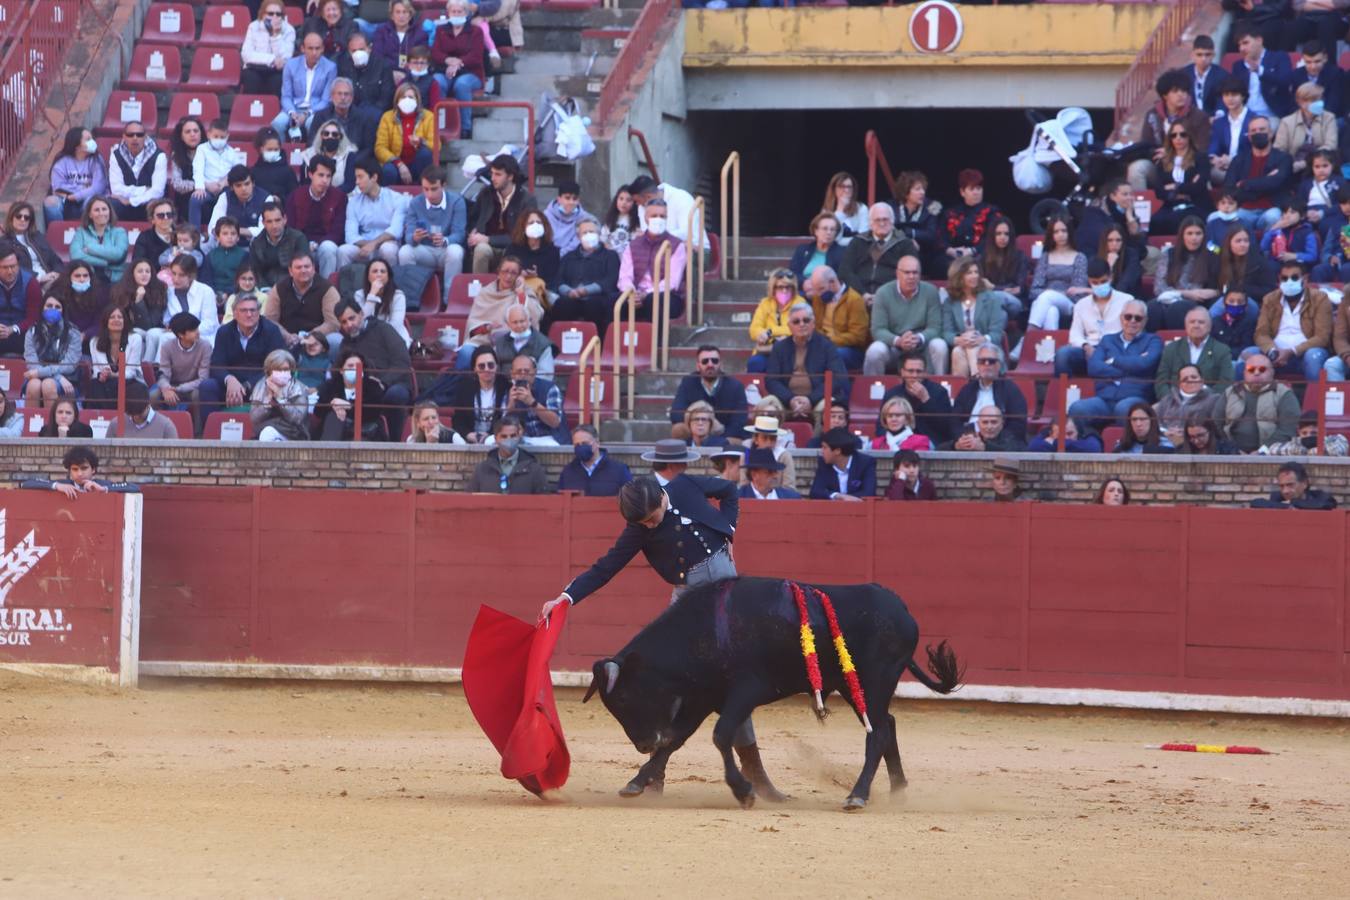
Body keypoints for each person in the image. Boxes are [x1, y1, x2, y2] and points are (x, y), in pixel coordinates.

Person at [539, 462, 783, 802]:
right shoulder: (639, 529)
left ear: (662, 497)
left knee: (731, 679)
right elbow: (605, 567)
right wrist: (566, 597)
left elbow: (728, 491)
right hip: (687, 600)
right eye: (644, 523)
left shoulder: (685, 486)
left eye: (653, 517)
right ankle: (657, 772)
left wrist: (728, 530)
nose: (651, 525)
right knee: (668, 678)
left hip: (728, 595)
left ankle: (751, 769)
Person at [1069, 300, 1163, 425]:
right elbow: (1094, 367)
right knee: (1078, 408)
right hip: (1104, 399)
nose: (1132, 321)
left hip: (1135, 398)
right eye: (1128, 316)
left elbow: (1146, 363)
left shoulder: (1153, 340)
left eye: (1138, 318)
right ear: (1121, 318)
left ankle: (1124, 444)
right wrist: (1133, 365)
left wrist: (1113, 361)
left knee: (1124, 408)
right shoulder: (1108, 340)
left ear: (1145, 320)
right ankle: (1090, 441)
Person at [334, 297, 412, 439]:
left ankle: (395, 445)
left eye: (352, 318)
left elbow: (402, 361)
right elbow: (339, 372)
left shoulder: (383, 330)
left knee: (395, 395)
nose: (349, 325)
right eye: (344, 322)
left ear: (361, 314)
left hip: (392, 384)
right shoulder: (345, 344)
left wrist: (382, 382)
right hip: (362, 390)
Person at [1250, 258, 1333, 382]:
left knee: (1313, 356)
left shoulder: (1320, 299)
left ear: (1305, 280)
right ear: (1279, 280)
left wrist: (1292, 351)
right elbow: (1261, 333)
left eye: (1294, 278)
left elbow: (1322, 337)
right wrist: (1272, 351)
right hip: (1275, 353)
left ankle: (1314, 399)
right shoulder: (1270, 299)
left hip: (1305, 353)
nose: (1289, 282)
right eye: (1284, 278)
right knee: (1249, 354)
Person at [453, 255, 543, 369]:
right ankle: (462, 385)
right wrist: (486, 328)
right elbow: (473, 325)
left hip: (511, 344)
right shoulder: (485, 293)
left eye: (514, 273)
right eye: (505, 271)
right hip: (482, 342)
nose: (508, 276)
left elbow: (536, 316)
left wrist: (520, 293)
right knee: (466, 352)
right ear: (499, 272)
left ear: (519, 276)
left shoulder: (525, 292)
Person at [201, 293, 288, 410]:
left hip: (260, 383)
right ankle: (211, 427)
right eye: (243, 310)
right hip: (231, 386)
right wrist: (229, 379)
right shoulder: (224, 331)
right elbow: (216, 365)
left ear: (259, 312)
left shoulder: (271, 330)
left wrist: (247, 385)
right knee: (207, 386)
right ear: (235, 313)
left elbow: (277, 366)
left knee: (273, 384)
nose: (249, 314)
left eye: (253, 310)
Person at [765, 300, 849, 421]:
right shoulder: (779, 347)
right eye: (796, 321)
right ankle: (770, 440)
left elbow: (837, 378)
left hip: (818, 400)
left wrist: (810, 399)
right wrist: (791, 399)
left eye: (806, 320)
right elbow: (771, 380)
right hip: (786, 401)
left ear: (813, 323)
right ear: (789, 326)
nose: (802, 324)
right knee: (766, 407)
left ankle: (818, 440)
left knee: (830, 410)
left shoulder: (827, 346)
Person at [1132, 68, 1213, 193]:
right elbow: (1145, 145)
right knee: (1137, 168)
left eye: (1184, 91)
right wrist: (1157, 153)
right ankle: (1140, 208)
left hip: (1190, 165)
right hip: (1161, 166)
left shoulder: (1199, 116)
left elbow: (1202, 147)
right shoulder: (1152, 115)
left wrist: (1172, 152)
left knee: (1204, 176)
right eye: (1175, 91)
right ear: (1165, 95)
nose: (1181, 95)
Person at [863, 254, 944, 375]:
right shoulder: (883, 293)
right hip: (893, 346)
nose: (911, 277)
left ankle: (939, 389)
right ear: (897, 273)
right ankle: (872, 391)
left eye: (915, 273)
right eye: (907, 272)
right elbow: (878, 330)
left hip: (921, 346)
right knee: (875, 350)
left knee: (939, 345)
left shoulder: (930, 291)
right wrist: (898, 341)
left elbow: (935, 327)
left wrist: (919, 338)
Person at [398, 165, 465, 307]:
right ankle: (410, 299)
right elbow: (408, 235)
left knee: (455, 251)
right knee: (405, 251)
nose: (429, 194)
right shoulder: (416, 203)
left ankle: (449, 300)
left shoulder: (456, 201)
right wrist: (414, 237)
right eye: (425, 189)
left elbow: (459, 234)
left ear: (444, 185)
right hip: (424, 249)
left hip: (445, 249)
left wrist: (446, 240)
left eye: (434, 189)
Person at [1054, 257, 1129, 378]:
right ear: (1089, 281)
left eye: (1103, 281)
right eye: (1095, 282)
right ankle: (1064, 392)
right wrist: (1085, 346)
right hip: (1090, 348)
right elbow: (1075, 335)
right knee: (1063, 354)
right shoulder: (1081, 304)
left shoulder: (1127, 300)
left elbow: (1131, 332)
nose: (1099, 285)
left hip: (1116, 349)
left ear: (1111, 277)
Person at [618, 199, 686, 322]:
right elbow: (625, 276)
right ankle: (617, 340)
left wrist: (647, 294)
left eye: (662, 216)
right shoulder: (633, 245)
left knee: (653, 301)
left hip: (667, 296)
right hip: (637, 293)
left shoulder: (676, 245)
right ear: (646, 218)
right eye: (654, 216)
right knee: (614, 301)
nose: (658, 219)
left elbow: (672, 281)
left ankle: (656, 341)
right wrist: (631, 293)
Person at [550, 219, 621, 336]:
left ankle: (598, 346)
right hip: (572, 297)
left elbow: (611, 279)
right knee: (562, 304)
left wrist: (587, 290)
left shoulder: (610, 256)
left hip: (598, 298)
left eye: (592, 232)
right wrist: (568, 291)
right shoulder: (569, 257)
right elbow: (558, 279)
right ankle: (561, 347)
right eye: (585, 233)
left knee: (594, 306)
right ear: (578, 236)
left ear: (599, 234)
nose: (589, 235)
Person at [467, 154, 536, 273]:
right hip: (487, 247)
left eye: (498, 174)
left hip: (514, 249)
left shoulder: (526, 199)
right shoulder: (486, 193)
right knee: (481, 250)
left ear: (510, 176)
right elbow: (473, 217)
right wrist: (472, 232)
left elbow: (522, 237)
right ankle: (480, 290)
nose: (492, 178)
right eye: (492, 173)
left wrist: (488, 239)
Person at [1224, 115, 1293, 232]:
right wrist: (1266, 181)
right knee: (1234, 219)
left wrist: (1244, 184)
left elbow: (1277, 183)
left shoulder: (1284, 158)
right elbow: (1229, 189)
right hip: (1245, 208)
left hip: (1272, 208)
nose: (1258, 133)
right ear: (1249, 137)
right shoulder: (1239, 160)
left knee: (1272, 217)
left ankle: (1267, 250)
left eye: (1262, 130)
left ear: (1270, 133)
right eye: (1253, 131)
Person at [838, 203, 917, 303]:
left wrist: (883, 296)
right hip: (858, 298)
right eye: (877, 220)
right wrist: (862, 294)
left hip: (892, 300)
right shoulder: (858, 242)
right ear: (870, 223)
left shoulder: (905, 244)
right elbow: (845, 271)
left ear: (892, 221)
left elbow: (911, 274)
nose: (882, 224)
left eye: (885, 219)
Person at [1221, 352, 1300, 452]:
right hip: (1232, 453)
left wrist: (1263, 451)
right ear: (1244, 373)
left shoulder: (1284, 394)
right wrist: (1231, 449)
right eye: (1251, 369)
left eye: (1262, 369)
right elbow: (1217, 423)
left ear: (1272, 372)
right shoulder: (1230, 392)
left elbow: (1288, 429)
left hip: (1271, 454)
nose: (1256, 373)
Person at [941, 257, 1007, 377]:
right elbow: (947, 333)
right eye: (969, 273)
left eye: (976, 272)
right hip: (962, 347)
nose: (975, 276)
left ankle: (976, 382)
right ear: (958, 276)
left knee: (973, 346)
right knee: (958, 351)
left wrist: (982, 339)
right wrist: (959, 340)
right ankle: (971, 385)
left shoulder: (991, 298)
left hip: (989, 349)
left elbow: (997, 334)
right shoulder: (950, 302)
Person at [1150, 216, 1219, 330]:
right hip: (1169, 298)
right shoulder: (1169, 254)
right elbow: (1158, 288)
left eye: (1198, 233)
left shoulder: (1212, 256)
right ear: (1182, 235)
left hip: (1198, 303)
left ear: (1204, 235)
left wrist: (1214, 292)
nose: (1194, 238)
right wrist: (1184, 293)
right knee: (1153, 307)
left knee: (1179, 307)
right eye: (1189, 233)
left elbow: (1220, 288)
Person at [430, 0, 486, 138]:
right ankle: (439, 125)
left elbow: (476, 56)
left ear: (466, 13)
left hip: (470, 72)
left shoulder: (476, 31)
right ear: (448, 13)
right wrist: (448, 60)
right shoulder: (441, 30)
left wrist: (458, 63)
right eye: (453, 11)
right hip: (445, 70)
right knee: (437, 81)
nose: (456, 14)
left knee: (462, 84)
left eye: (459, 11)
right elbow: (435, 53)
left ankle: (465, 128)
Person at [1149, 119, 1214, 237]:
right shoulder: (1163, 161)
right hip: (1171, 204)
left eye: (1183, 134)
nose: (1178, 138)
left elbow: (1199, 187)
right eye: (1174, 135)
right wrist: (1183, 189)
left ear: (1189, 136)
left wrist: (1175, 186)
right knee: (1154, 222)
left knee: (1180, 219)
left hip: (1196, 205)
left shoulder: (1200, 158)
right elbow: (1159, 191)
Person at [1155, 306, 1234, 402]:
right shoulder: (1171, 349)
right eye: (1192, 322)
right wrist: (1171, 402)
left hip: (1208, 405)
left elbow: (1226, 382)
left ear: (1209, 326)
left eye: (1201, 322)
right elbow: (1161, 381)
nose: (1196, 325)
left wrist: (1207, 401)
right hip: (1173, 404)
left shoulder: (1222, 350)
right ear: (1186, 325)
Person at [1026, 213, 1090, 331]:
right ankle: (1050, 348)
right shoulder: (1045, 257)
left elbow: (1079, 294)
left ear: (1069, 232)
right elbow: (1034, 290)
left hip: (1070, 304)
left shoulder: (1079, 257)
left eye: (1064, 231)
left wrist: (1055, 294)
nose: (1060, 235)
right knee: (1051, 311)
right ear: (1051, 235)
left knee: (1047, 296)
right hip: (1045, 301)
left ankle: (1030, 333)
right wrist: (1050, 294)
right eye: (1056, 232)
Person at [952, 345, 1029, 442]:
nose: (986, 364)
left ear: (999, 365)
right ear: (977, 365)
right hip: (968, 441)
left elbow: (1018, 425)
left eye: (991, 361)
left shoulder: (1011, 390)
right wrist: (965, 439)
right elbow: (955, 422)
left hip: (998, 446)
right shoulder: (967, 390)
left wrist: (988, 444)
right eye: (982, 361)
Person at [670, 344, 748, 440]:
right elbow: (676, 413)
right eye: (705, 361)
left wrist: (716, 438)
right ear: (698, 366)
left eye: (714, 361)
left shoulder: (735, 386)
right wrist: (700, 420)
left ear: (720, 364)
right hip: (695, 434)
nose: (710, 364)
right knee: (678, 430)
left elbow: (739, 421)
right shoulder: (688, 382)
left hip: (724, 437)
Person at [339, 156, 405, 269]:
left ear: (374, 177)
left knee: (388, 249)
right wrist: (368, 245)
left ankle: (391, 284)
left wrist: (374, 244)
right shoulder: (353, 202)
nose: (357, 182)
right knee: (343, 250)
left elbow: (396, 231)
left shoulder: (396, 199)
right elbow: (350, 235)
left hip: (387, 244)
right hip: (364, 246)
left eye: (360, 177)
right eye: (356, 177)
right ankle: (345, 285)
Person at [801, 265, 868, 372]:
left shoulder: (854, 300)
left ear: (832, 282)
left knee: (833, 355)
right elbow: (816, 326)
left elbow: (858, 336)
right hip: (823, 345)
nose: (818, 294)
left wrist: (830, 341)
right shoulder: (818, 297)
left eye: (821, 289)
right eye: (816, 290)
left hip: (850, 350)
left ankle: (839, 387)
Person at [274, 32, 339, 140]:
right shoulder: (291, 65)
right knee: (277, 123)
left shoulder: (330, 68)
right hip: (293, 107)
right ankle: (281, 154)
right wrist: (291, 112)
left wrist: (307, 113)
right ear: (303, 48)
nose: (314, 52)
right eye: (310, 48)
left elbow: (326, 100)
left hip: (315, 110)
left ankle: (311, 154)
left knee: (312, 123)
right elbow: (286, 96)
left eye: (317, 48)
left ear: (322, 49)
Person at [879, 354, 955, 445]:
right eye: (910, 371)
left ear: (925, 373)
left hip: (930, 444)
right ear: (902, 372)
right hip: (898, 444)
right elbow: (881, 426)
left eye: (919, 371)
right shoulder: (892, 394)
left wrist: (926, 400)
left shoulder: (939, 392)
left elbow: (946, 427)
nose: (914, 375)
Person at [22, 295, 81, 409]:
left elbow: (70, 365)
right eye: (49, 306)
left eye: (57, 307)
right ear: (42, 308)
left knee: (48, 385)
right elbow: (32, 364)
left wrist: (44, 374)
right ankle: (31, 425)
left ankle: (52, 426)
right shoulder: (32, 332)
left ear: (63, 311)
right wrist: (57, 376)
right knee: (33, 385)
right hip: (40, 376)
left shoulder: (73, 333)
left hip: (67, 379)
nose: (53, 309)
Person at [314, 347, 387, 440]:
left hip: (366, 433)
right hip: (337, 431)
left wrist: (348, 406)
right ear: (341, 370)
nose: (354, 369)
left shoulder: (373, 386)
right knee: (333, 417)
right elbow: (318, 411)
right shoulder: (331, 386)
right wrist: (334, 406)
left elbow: (374, 412)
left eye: (358, 366)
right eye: (350, 366)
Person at [464, 414, 548, 493]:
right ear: (496, 438)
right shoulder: (482, 469)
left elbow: (545, 502)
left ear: (519, 436)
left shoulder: (534, 469)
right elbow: (469, 500)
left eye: (513, 436)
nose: (509, 440)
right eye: (504, 436)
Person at [155, 311, 210, 431]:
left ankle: (198, 433)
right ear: (181, 334)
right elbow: (163, 373)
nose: (198, 332)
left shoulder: (205, 346)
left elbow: (203, 378)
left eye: (197, 328)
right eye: (193, 330)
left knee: (198, 395)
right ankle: (158, 431)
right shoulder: (167, 346)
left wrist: (179, 388)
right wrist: (166, 388)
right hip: (172, 386)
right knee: (153, 396)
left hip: (192, 387)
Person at [44, 127, 108, 224]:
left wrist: (77, 195)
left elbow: (99, 186)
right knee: (50, 201)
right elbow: (57, 188)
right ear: (77, 145)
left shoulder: (96, 159)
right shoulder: (62, 162)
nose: (93, 142)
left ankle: (88, 233)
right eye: (88, 139)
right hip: (68, 198)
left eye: (92, 139)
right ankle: (58, 232)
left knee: (92, 202)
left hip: (89, 197)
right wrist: (81, 189)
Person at [1229, 23, 1293, 121]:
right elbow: (1232, 91)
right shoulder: (1238, 66)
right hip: (1245, 116)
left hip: (1272, 116)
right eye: (1239, 45)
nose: (1241, 48)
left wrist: (1260, 71)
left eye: (1245, 43)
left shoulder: (1279, 58)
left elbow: (1285, 82)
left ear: (1259, 40)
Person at [1074, 179, 1146, 266]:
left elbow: (1141, 249)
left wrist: (1130, 219)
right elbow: (1107, 242)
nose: (1129, 198)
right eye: (1125, 194)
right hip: (1095, 258)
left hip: (1123, 255)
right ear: (1112, 196)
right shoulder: (1095, 212)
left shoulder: (1129, 212)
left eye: (1131, 194)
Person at [374, 83, 434, 186]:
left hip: (417, 164)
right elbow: (380, 148)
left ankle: (422, 189)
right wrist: (399, 164)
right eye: (403, 97)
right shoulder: (387, 117)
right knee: (388, 170)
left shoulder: (428, 117)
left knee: (425, 154)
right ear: (397, 100)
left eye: (410, 97)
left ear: (417, 100)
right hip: (396, 164)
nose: (407, 100)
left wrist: (421, 142)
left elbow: (436, 144)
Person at [1274, 82, 1337, 177]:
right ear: (1301, 102)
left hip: (1321, 166)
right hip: (1293, 168)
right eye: (1314, 100)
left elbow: (1331, 145)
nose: (1320, 103)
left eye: (1320, 99)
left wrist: (1305, 163)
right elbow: (1279, 150)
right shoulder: (1287, 122)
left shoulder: (1329, 118)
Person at [189, 119, 244, 229]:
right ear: (209, 134)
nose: (219, 140)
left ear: (228, 136)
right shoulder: (202, 149)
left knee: (233, 198)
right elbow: (198, 169)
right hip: (207, 187)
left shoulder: (231, 152)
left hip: (225, 187)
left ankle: (228, 231)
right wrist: (201, 187)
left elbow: (238, 170)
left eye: (222, 137)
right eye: (216, 136)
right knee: (195, 200)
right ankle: (194, 233)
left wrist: (224, 182)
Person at [85, 305, 144, 408]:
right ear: (106, 321)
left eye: (120, 317)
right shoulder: (95, 341)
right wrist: (101, 375)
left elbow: (131, 372)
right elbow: (96, 370)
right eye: (112, 317)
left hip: (128, 381)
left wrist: (114, 375)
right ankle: (101, 419)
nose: (116, 320)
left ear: (125, 321)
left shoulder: (135, 338)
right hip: (106, 382)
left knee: (132, 389)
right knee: (94, 386)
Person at [108, 121, 167, 222]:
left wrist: (132, 201)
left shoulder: (159, 156)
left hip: (147, 201)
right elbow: (116, 189)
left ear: (145, 137)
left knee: (156, 205)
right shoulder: (116, 155)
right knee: (111, 203)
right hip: (125, 201)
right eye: (130, 135)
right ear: (124, 137)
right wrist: (144, 189)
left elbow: (158, 191)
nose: (135, 138)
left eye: (139, 135)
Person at [21, 447, 139, 498]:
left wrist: (104, 490)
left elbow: (134, 487)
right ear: (69, 471)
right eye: (75, 469)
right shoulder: (64, 485)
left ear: (93, 470)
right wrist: (56, 486)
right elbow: (26, 484)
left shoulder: (101, 485)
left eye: (84, 468)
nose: (79, 473)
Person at [448, 344, 508, 441]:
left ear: (497, 366)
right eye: (481, 366)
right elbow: (458, 419)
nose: (487, 369)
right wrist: (468, 434)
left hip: (495, 436)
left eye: (491, 365)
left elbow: (505, 418)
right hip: (471, 436)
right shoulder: (464, 387)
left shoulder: (505, 386)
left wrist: (490, 435)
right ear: (474, 369)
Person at [746, 268, 801, 374]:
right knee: (755, 363)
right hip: (766, 350)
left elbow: (795, 328)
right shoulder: (765, 303)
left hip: (791, 352)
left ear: (793, 289)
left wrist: (770, 332)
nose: (784, 291)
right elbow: (754, 329)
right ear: (773, 288)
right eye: (780, 287)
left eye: (788, 287)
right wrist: (761, 334)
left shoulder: (799, 303)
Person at [502, 352, 565, 445]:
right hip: (521, 437)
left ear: (535, 372)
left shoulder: (550, 388)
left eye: (527, 371)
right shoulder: (509, 391)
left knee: (551, 445)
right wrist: (511, 404)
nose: (523, 375)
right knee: (491, 441)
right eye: (519, 371)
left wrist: (532, 402)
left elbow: (555, 422)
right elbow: (502, 426)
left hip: (548, 437)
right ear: (512, 374)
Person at [248, 202, 311, 289]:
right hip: (267, 290)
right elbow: (256, 272)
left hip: (294, 287)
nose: (274, 226)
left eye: (277, 220)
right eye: (269, 221)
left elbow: (304, 268)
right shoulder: (256, 244)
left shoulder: (298, 238)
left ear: (284, 219)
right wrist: (266, 289)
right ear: (263, 223)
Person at [939, 168, 999, 261]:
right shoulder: (950, 212)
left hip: (980, 255)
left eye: (978, 188)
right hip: (953, 256)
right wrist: (950, 250)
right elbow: (941, 236)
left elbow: (993, 238)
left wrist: (972, 250)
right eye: (971, 189)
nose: (976, 192)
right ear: (962, 192)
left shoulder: (992, 212)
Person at [249, 349, 309, 441]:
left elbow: (298, 419)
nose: (282, 373)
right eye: (277, 369)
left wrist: (281, 399)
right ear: (269, 371)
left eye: (285, 369)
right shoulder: (261, 385)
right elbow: (254, 419)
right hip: (265, 429)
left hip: (293, 433)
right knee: (268, 433)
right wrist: (267, 403)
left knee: (268, 433)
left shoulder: (298, 387)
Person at [557, 424, 632, 495]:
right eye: (577, 445)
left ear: (597, 443)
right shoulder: (567, 472)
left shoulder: (619, 470)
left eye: (585, 443)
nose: (581, 447)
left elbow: (630, 500)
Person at [68, 197, 128, 285]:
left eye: (104, 209)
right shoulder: (81, 232)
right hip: (87, 280)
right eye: (96, 210)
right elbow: (75, 256)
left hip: (115, 281)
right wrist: (106, 262)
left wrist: (90, 248)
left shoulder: (119, 232)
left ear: (110, 212)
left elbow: (118, 254)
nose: (101, 213)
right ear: (90, 214)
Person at [338, 32, 396, 122]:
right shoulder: (344, 67)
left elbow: (386, 98)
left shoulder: (383, 66)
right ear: (349, 52)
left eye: (361, 49)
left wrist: (370, 114)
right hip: (351, 115)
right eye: (354, 51)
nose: (358, 53)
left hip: (375, 115)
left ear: (369, 48)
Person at [891, 171, 942, 275]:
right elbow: (888, 230)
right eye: (917, 189)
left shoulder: (933, 206)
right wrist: (908, 241)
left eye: (923, 189)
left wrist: (910, 233)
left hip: (924, 252)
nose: (922, 192)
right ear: (906, 192)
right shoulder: (892, 206)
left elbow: (932, 235)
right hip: (898, 249)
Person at [1208, 75, 1255, 186]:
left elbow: (1256, 151)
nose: (1230, 99)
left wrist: (1234, 161)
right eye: (1226, 95)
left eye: (1234, 95)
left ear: (1243, 96)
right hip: (1224, 168)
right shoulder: (1219, 123)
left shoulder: (1254, 120)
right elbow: (1213, 147)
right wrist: (1215, 159)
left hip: (1248, 168)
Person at [241, 0, 295, 95]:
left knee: (278, 80)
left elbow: (285, 58)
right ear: (262, 14)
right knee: (250, 78)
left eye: (278, 14)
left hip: (276, 71)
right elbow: (246, 55)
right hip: (254, 68)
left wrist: (275, 35)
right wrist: (272, 59)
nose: (274, 17)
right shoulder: (253, 27)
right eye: (270, 13)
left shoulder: (289, 30)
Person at [507, 209, 561, 304]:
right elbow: (505, 272)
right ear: (523, 228)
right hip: (515, 292)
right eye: (531, 223)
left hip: (541, 295)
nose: (535, 225)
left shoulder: (552, 251)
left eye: (539, 222)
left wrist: (536, 276)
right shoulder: (513, 249)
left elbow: (553, 280)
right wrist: (521, 274)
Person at [309, 82, 374, 161]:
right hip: (325, 162)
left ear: (352, 97)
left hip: (354, 163)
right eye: (339, 94)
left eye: (346, 94)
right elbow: (311, 143)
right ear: (332, 96)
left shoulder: (364, 118)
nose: (343, 97)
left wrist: (350, 162)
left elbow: (368, 149)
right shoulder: (320, 116)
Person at [166, 256, 221, 347]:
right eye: (174, 273)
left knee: (166, 338)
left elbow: (209, 324)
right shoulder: (169, 292)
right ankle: (146, 361)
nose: (176, 279)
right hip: (177, 334)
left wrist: (187, 332)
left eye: (181, 275)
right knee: (153, 334)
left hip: (202, 336)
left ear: (191, 276)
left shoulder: (206, 291)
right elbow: (167, 319)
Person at [979, 214, 1030, 315]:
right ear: (992, 236)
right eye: (998, 234)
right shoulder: (983, 257)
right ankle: (995, 330)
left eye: (1006, 234)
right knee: (1002, 315)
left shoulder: (1020, 257)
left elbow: (1017, 289)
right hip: (992, 303)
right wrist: (1001, 289)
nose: (1003, 237)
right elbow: (981, 285)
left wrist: (993, 287)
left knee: (998, 296)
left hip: (1014, 302)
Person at [209, 164, 273, 242]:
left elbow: (265, 229)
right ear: (232, 187)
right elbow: (214, 225)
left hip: (255, 244)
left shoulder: (266, 198)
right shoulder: (225, 197)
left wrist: (233, 231)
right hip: (229, 242)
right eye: (238, 185)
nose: (243, 189)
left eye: (247, 184)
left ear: (253, 183)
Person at [4, 203, 62, 289]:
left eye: (26, 218)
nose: (22, 220)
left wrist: (57, 273)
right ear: (11, 218)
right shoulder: (4, 242)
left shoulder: (38, 237)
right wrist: (39, 277)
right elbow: (16, 269)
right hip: (30, 282)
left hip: (51, 277)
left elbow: (54, 259)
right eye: (18, 216)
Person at [809, 427, 875, 501]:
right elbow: (815, 492)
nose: (822, 451)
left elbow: (869, 493)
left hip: (859, 510)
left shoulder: (865, 462)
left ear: (837, 451)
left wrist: (847, 499)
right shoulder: (823, 463)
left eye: (825, 447)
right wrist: (837, 496)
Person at [354, 257, 408, 346]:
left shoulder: (398, 296)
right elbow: (361, 323)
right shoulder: (359, 295)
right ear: (368, 276)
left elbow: (396, 325)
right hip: (367, 340)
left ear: (388, 276)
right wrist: (372, 295)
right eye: (375, 271)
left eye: (383, 271)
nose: (379, 274)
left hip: (394, 340)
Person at [493, 303, 553, 377]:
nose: (519, 325)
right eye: (515, 322)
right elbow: (495, 371)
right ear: (508, 324)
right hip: (505, 386)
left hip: (532, 386)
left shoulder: (542, 344)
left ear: (529, 321)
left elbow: (546, 374)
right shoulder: (500, 344)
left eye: (522, 321)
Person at [0, 247, 39, 356]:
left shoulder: (31, 283)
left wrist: (13, 329)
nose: (10, 271)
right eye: (4, 267)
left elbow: (34, 318)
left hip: (22, 333)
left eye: (13, 266)